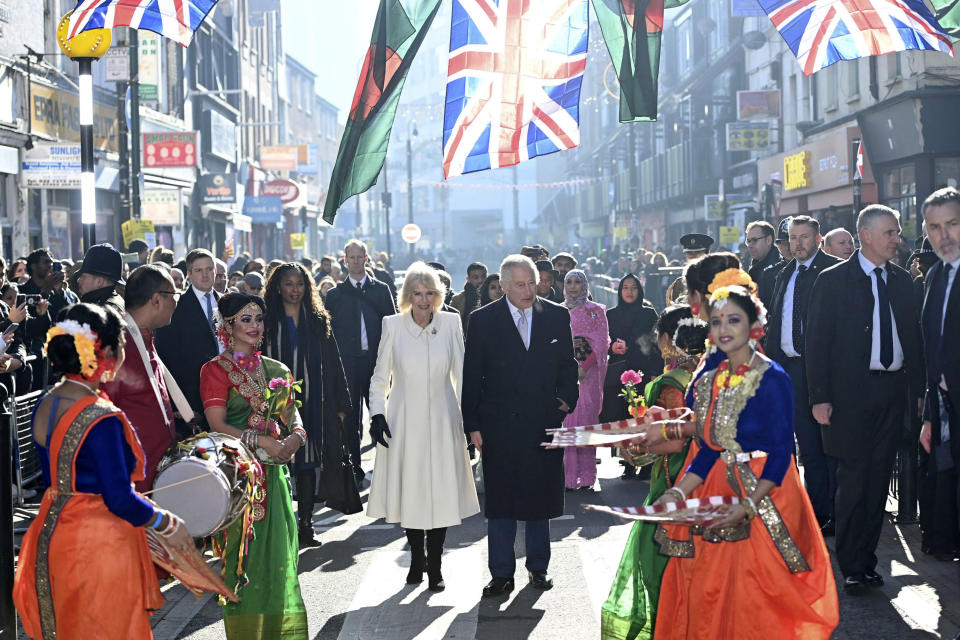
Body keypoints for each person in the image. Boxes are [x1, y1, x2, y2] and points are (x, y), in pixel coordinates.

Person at [652, 283, 838, 640]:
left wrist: (750, 505)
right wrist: (678, 492)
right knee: (712, 591)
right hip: (720, 489)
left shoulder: (773, 378)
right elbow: (710, 449)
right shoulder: (710, 379)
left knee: (761, 599)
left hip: (770, 495)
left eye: (733, 320)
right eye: (717, 321)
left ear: (754, 325)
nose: (724, 329)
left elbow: (782, 452)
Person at [14, 303, 193, 639]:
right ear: (106, 351)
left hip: (54, 533)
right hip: (100, 543)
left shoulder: (46, 402)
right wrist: (166, 521)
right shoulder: (101, 416)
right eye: (123, 344)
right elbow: (118, 498)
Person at [805, 204, 924, 593]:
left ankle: (866, 561)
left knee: (877, 482)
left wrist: (919, 395)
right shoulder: (833, 280)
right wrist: (819, 397)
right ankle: (851, 564)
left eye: (897, 232)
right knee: (854, 479)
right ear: (867, 235)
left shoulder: (903, 281)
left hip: (892, 393)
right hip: (848, 397)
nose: (897, 239)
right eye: (889, 232)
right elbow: (817, 343)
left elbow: (916, 343)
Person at [462, 255, 579, 597]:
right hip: (499, 423)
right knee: (501, 500)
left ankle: (538, 568)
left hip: (543, 418)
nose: (529, 291)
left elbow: (567, 366)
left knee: (540, 496)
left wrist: (565, 400)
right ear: (504, 285)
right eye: (521, 285)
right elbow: (473, 374)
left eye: (532, 283)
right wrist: (473, 423)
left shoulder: (556, 315)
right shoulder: (484, 320)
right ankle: (501, 573)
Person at [200, 292, 309, 638]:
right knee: (241, 563)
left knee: (280, 562)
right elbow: (217, 424)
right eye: (245, 320)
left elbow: (295, 420)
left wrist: (294, 440)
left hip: (274, 480)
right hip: (238, 484)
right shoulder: (214, 371)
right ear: (227, 327)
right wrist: (262, 442)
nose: (254, 326)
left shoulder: (277, 370)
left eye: (258, 319)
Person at [367, 263, 480, 591]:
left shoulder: (450, 323)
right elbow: (378, 376)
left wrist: (468, 420)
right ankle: (417, 557)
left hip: (444, 417)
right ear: (407, 296)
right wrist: (377, 414)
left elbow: (462, 374)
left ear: (438, 295)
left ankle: (437, 563)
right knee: (413, 491)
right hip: (404, 419)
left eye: (429, 293)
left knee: (442, 490)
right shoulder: (392, 325)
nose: (423, 299)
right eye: (417, 293)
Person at [601, 305, 708, 640]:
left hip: (674, 479)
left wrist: (637, 448)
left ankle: (671, 628)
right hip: (697, 478)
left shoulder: (672, 384)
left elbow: (674, 440)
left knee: (659, 563)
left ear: (668, 339)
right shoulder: (704, 372)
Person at [262, 263, 353, 547]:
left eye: (299, 284)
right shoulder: (266, 320)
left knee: (306, 462)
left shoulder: (317, 318)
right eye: (288, 284)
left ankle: (305, 525)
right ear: (278, 286)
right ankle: (279, 527)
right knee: (277, 461)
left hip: (314, 399)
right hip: (274, 402)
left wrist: (341, 404)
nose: (294, 289)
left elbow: (334, 361)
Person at [764, 216, 841, 535]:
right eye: (793, 238)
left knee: (830, 447)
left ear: (818, 238)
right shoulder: (786, 272)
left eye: (804, 237)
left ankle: (835, 513)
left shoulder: (834, 272)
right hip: (789, 370)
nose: (797, 244)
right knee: (807, 446)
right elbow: (777, 320)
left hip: (824, 371)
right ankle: (816, 511)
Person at [325, 239, 398, 484]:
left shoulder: (380, 289)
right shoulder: (335, 294)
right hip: (347, 365)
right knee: (351, 417)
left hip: (377, 362)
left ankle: (388, 467)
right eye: (351, 257)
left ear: (366, 259)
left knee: (380, 413)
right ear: (345, 261)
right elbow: (329, 333)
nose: (356, 262)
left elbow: (392, 325)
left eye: (360, 257)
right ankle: (354, 468)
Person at [102, 265, 180, 491]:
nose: (176, 302)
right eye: (174, 295)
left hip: (155, 473)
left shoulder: (144, 337)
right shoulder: (119, 344)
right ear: (156, 300)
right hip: (131, 480)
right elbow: (103, 412)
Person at [917, 188, 960, 563]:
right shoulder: (935, 275)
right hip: (945, 413)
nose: (943, 235)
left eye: (952, 224)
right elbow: (933, 348)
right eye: (934, 227)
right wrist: (930, 415)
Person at [601, 273, 663, 480]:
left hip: (643, 371)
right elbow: (603, 342)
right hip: (620, 373)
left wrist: (656, 372)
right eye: (625, 287)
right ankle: (628, 462)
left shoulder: (648, 314)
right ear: (620, 291)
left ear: (640, 290)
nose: (629, 291)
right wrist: (612, 347)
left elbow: (656, 344)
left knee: (643, 417)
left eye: (633, 287)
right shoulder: (611, 314)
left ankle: (646, 464)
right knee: (623, 418)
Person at [155, 248, 221, 436]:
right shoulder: (175, 306)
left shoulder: (227, 302)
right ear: (189, 274)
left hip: (227, 393)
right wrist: (180, 405)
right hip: (192, 396)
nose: (205, 275)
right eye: (199, 270)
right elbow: (166, 357)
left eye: (209, 269)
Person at [561, 270, 609, 490]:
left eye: (577, 282)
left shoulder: (595, 311)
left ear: (585, 285)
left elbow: (601, 343)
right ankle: (567, 477)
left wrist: (584, 368)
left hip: (588, 375)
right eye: (568, 282)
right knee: (566, 421)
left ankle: (587, 477)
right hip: (563, 374)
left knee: (585, 421)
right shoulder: (558, 311)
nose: (572, 286)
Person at [76, 243, 126, 314]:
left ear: (99, 282)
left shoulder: (104, 312)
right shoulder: (113, 305)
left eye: (83, 276)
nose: (78, 280)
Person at [745, 221, 782, 307]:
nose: (750, 245)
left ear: (768, 240)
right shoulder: (755, 266)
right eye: (748, 241)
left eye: (754, 240)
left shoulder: (778, 269)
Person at [450, 262, 488, 330]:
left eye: (483, 276)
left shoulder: (496, 296)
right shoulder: (458, 299)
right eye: (475, 277)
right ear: (468, 279)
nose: (480, 280)